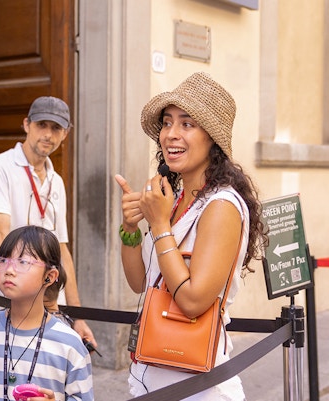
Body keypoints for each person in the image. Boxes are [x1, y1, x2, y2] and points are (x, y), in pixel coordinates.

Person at [114, 72, 266, 399]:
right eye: (167, 123)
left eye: (186, 124)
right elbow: (140, 282)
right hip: (152, 375)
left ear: (212, 138)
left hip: (199, 386)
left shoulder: (222, 205)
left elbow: (194, 301)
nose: (170, 134)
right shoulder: (176, 199)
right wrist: (129, 230)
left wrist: (158, 225)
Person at [0, 96, 96, 347]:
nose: (48, 134)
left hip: (53, 305)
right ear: (26, 125)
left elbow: (62, 249)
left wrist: (76, 315)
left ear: (65, 134)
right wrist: (36, 298)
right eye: (41, 125)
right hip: (14, 301)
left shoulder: (57, 181)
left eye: (56, 128)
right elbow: (1, 237)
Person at [0, 226, 94, 401]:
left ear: (50, 276)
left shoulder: (69, 342)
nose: (9, 270)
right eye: (3, 260)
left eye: (23, 262)